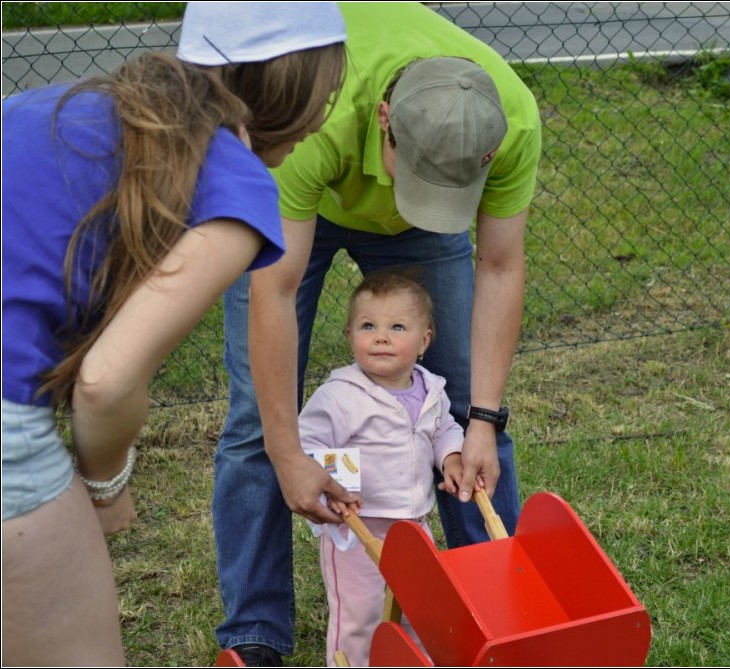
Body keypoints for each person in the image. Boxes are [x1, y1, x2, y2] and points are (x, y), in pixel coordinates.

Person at [0, 3, 350, 665]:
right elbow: (106, 382)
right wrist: (106, 486)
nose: (325, 116)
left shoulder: (58, 103)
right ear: (294, 88)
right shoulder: (237, 185)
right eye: (326, 95)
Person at [213, 3, 542, 664]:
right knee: (257, 424)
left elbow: (500, 265)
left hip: (411, 219)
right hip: (301, 192)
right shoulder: (314, 113)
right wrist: (289, 453)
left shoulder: (509, 119)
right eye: (411, 178)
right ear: (386, 122)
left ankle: (494, 617)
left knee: (468, 419)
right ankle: (253, 635)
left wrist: (481, 418)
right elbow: (274, 289)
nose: (409, 199)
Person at [298, 270, 465, 667]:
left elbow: (444, 430)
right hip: (357, 528)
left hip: (414, 526)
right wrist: (336, 484)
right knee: (360, 614)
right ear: (350, 335)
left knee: (416, 607)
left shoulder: (431, 391)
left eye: (397, 327)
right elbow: (305, 443)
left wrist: (452, 457)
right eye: (368, 325)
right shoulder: (341, 395)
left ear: (424, 341)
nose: (381, 336)